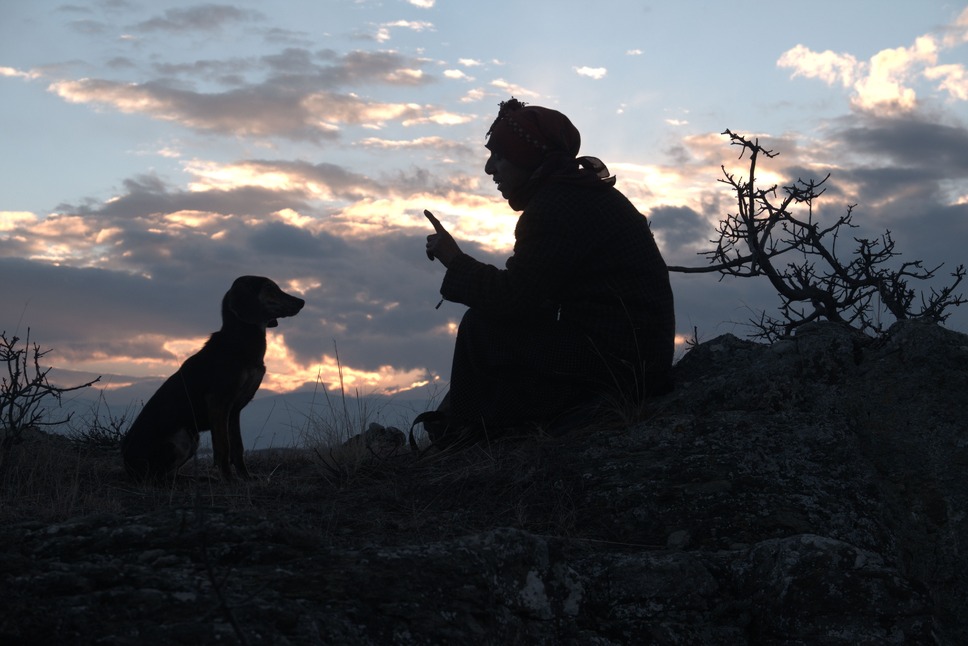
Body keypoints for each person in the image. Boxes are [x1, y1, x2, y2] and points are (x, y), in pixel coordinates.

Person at [420, 97, 675, 446]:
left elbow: (512, 297)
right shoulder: (578, 193)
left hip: (618, 367)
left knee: (481, 328)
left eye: (499, 157)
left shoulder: (555, 206)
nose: (489, 169)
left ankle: (460, 439)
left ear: (526, 157)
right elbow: (534, 293)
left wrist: (455, 260)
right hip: (636, 362)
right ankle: (464, 427)